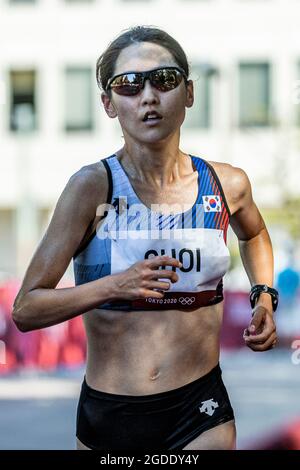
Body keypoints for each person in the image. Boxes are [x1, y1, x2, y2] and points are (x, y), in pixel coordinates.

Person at [12, 26, 278, 451]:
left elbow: (256, 234)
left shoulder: (227, 184)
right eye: (130, 86)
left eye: (164, 80)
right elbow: (26, 308)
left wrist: (264, 297)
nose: (148, 96)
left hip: (201, 410)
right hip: (111, 415)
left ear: (189, 93)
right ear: (109, 104)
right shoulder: (90, 188)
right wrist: (117, 285)